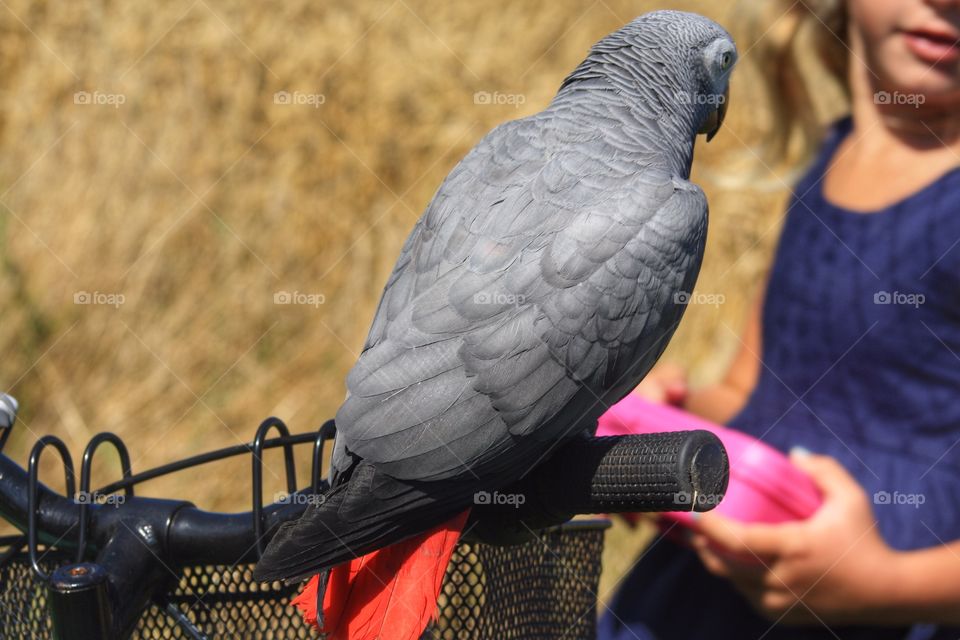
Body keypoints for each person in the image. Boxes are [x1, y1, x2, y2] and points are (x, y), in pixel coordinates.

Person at [599, 1, 960, 638]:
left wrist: (882, 588)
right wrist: (663, 413)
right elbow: (752, 392)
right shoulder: (829, 161)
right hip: (708, 588)